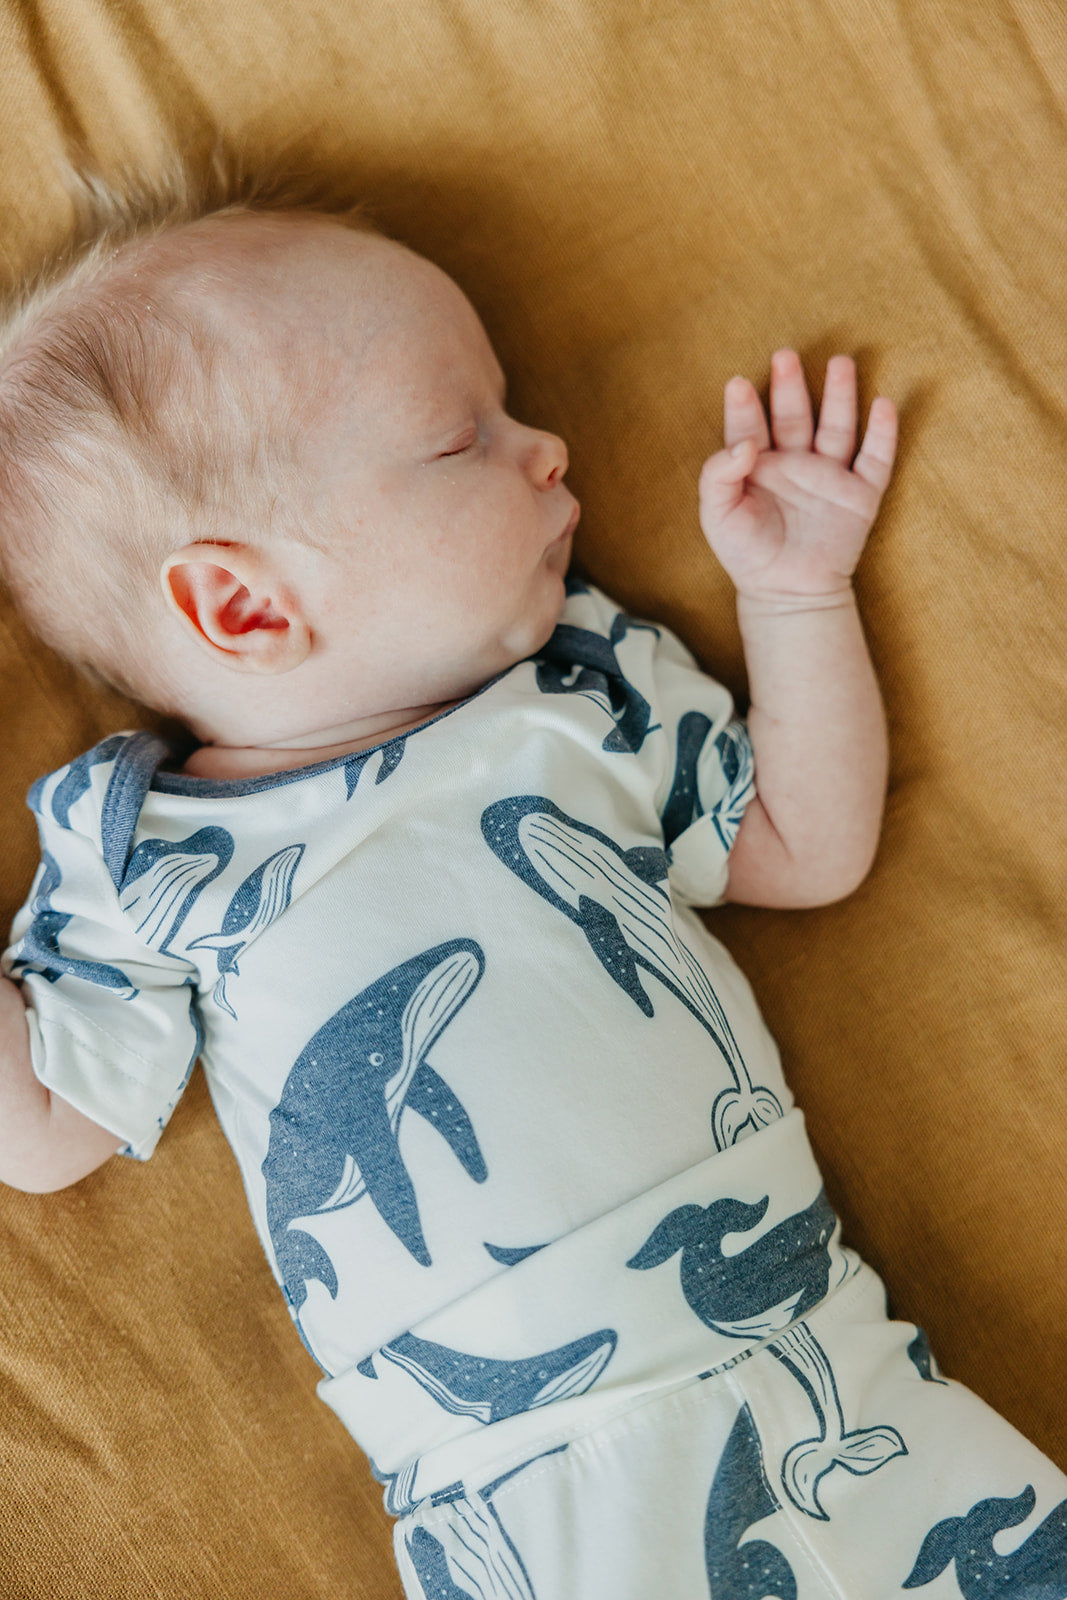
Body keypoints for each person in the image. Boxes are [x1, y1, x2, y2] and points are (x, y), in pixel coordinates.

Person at [0, 197, 1064, 1600]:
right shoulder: (147, 850)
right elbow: (45, 1127)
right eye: (465, 437)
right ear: (246, 608)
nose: (547, 446)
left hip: (832, 1369)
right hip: (530, 1501)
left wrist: (799, 595)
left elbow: (804, 846)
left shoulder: (580, 690)